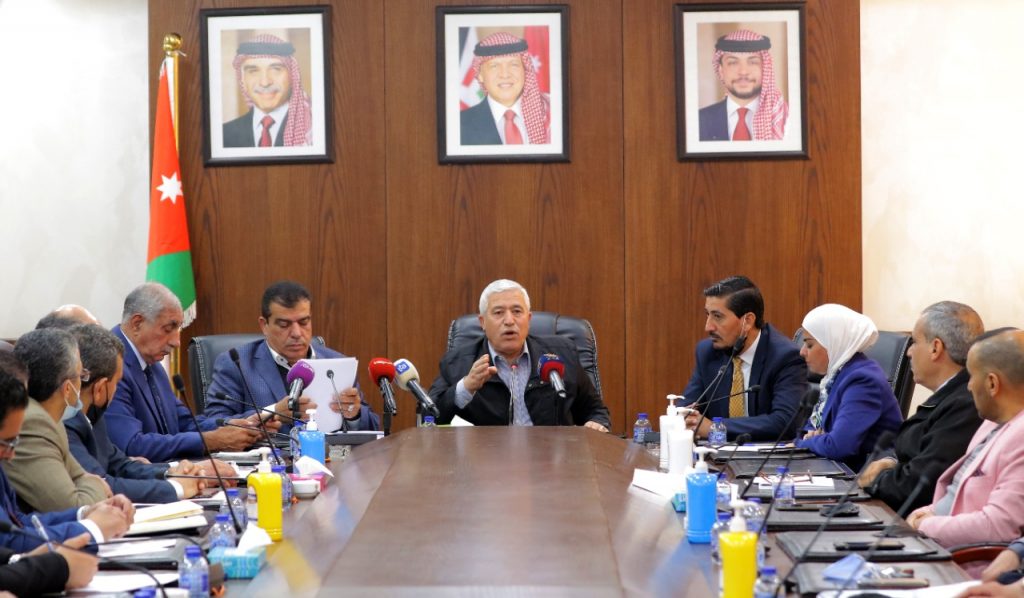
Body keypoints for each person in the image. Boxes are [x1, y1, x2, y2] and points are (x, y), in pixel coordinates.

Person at [67, 324, 231, 503]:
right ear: (99, 389)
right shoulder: (65, 423)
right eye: (117, 382)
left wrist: (174, 472)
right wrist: (177, 487)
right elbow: (103, 486)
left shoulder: (91, 416)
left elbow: (120, 465)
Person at [105, 282, 264, 462]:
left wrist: (237, 424)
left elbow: (185, 423)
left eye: (178, 329)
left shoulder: (152, 363)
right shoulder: (109, 364)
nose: (177, 342)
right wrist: (210, 441)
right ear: (137, 324)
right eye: (168, 329)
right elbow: (131, 446)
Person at [428, 279, 610, 430]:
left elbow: (596, 411)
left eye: (517, 311)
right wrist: (466, 387)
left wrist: (596, 424)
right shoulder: (458, 362)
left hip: (550, 458)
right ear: (482, 322)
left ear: (528, 319)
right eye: (498, 313)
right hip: (486, 458)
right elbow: (429, 416)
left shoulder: (561, 354)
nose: (509, 321)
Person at [204, 281, 379, 432]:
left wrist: (354, 415)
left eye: (304, 322)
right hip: (268, 459)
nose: (296, 333)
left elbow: (373, 428)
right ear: (264, 325)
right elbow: (213, 424)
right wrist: (272, 413)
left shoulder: (336, 363)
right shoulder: (237, 363)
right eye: (284, 324)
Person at [859, 302, 985, 511]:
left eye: (915, 342)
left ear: (935, 348)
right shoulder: (952, 394)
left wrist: (876, 480)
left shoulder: (965, 404)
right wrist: (891, 462)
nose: (909, 352)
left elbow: (920, 484)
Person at [0, 354, 133, 553]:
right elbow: (8, 541)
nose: (11, 454)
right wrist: (92, 528)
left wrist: (86, 513)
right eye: (7, 442)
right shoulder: (39, 423)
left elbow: (19, 522)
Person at [907, 329, 1024, 549]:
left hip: (964, 560)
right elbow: (957, 491)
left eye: (971, 376)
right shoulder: (991, 422)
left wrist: (926, 526)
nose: (968, 386)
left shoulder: (1020, 438)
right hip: (935, 541)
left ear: (992, 383)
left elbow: (997, 527)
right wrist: (926, 512)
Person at [680, 276, 808, 441]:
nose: (708, 326)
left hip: (765, 454)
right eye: (708, 315)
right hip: (718, 452)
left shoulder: (785, 357)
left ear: (747, 321)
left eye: (717, 316)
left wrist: (716, 427)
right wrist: (684, 417)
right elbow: (688, 406)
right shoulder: (708, 352)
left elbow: (785, 422)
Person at [7, 329, 110, 511]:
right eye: (82, 376)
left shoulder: (50, 418)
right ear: (68, 389)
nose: (82, 382)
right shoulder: (33, 423)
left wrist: (88, 482)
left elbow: (80, 476)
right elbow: (76, 506)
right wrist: (97, 484)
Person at [794, 304, 903, 469]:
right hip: (834, 468)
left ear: (834, 343)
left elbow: (839, 446)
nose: (802, 352)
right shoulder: (835, 375)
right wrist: (814, 439)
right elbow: (809, 430)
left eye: (809, 345)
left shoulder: (863, 380)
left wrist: (805, 443)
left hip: (861, 476)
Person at [460, 32, 550, 146]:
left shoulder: (551, 115)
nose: (505, 74)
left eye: (514, 65)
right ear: (480, 75)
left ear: (525, 70)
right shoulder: (460, 125)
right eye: (494, 66)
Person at [223, 34, 312, 148]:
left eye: (276, 69)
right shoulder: (225, 134)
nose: (265, 82)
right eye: (253, 71)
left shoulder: (313, 130)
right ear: (243, 80)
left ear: (292, 76)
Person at [698, 29, 789, 142]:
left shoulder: (787, 119)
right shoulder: (698, 121)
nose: (743, 72)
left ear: (765, 69)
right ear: (721, 71)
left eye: (753, 62)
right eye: (733, 63)